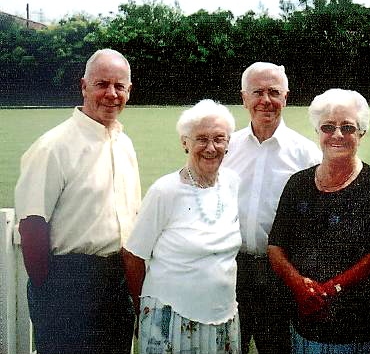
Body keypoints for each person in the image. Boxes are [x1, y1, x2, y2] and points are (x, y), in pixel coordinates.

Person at [14, 49, 140, 354]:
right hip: (67, 285)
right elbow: (31, 226)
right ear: (84, 86)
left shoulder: (123, 144)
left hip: (117, 283)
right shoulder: (53, 147)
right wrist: (51, 293)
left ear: (129, 91)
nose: (111, 94)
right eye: (102, 84)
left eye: (119, 86)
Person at [268, 88, 370, 353]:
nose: (337, 135)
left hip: (365, 331)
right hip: (308, 328)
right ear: (317, 132)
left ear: (362, 132)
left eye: (348, 127)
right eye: (328, 127)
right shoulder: (298, 184)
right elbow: (276, 246)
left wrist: (332, 288)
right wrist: (299, 285)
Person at [122, 99, 241, 354]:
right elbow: (133, 255)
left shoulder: (232, 183)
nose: (211, 147)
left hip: (224, 318)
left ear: (228, 144)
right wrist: (144, 310)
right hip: (172, 322)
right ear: (184, 143)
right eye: (201, 139)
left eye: (219, 139)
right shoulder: (165, 191)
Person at [221, 62, 322, 353]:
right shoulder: (226, 148)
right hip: (230, 270)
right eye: (258, 92)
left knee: (277, 347)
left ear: (286, 97)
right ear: (244, 98)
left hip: (279, 275)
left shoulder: (307, 155)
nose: (266, 100)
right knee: (228, 345)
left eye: (274, 92)